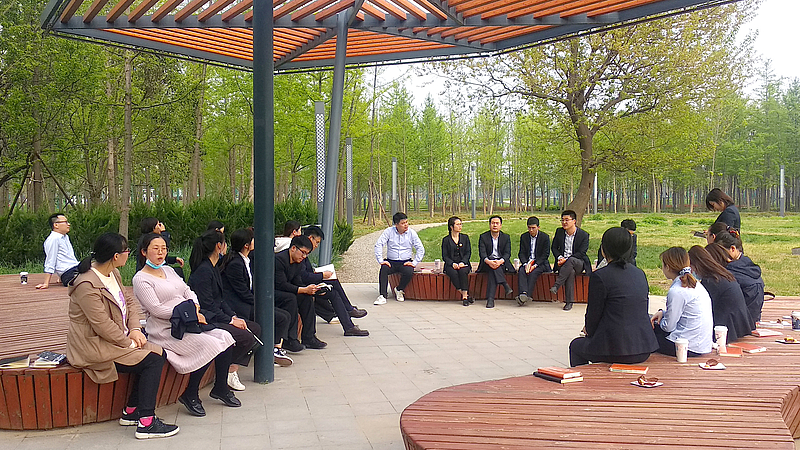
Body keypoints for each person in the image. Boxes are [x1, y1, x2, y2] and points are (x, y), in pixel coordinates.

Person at [67, 233, 178, 439]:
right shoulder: (86, 285)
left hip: (116, 340)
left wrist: (135, 329)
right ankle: (146, 422)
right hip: (93, 346)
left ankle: (132, 411)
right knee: (152, 360)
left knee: (160, 353)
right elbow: (101, 324)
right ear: (116, 256)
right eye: (126, 250)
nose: (129, 253)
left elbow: (130, 302)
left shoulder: (114, 273)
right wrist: (128, 342)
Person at [133, 233, 239, 418]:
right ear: (144, 252)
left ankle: (221, 387)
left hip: (189, 322)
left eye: (164, 249)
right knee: (210, 345)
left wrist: (195, 307)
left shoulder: (169, 270)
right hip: (165, 330)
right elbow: (156, 309)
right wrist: (189, 313)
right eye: (155, 249)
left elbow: (187, 291)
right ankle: (190, 394)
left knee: (226, 337)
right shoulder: (141, 279)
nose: (161, 253)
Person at [568, 228, 658, 367]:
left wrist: (589, 331)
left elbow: (593, 314)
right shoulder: (639, 273)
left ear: (603, 249)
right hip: (644, 347)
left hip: (615, 350)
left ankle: (584, 380)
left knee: (576, 346)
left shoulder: (600, 276)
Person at [187, 230, 262, 391]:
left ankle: (230, 369)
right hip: (206, 318)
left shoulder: (213, 267)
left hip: (216, 313)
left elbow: (220, 300)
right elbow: (207, 305)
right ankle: (227, 372)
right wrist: (230, 320)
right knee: (245, 336)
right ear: (218, 246)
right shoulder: (203, 271)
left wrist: (233, 316)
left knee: (254, 328)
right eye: (224, 243)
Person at [220, 228, 293, 367]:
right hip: (239, 306)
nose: (256, 242)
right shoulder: (235, 264)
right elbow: (242, 292)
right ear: (246, 245)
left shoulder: (246, 260)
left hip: (247, 301)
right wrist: (261, 303)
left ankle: (275, 349)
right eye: (253, 239)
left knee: (285, 315)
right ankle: (273, 350)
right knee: (280, 318)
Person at [299, 226, 369, 336]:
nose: (316, 246)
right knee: (333, 286)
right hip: (303, 287)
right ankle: (349, 316)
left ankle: (349, 323)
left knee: (333, 288)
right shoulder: (300, 251)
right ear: (310, 238)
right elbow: (303, 276)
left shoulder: (302, 251)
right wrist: (322, 275)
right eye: (317, 242)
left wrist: (318, 273)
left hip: (306, 284)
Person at [650, 247, 713, 357]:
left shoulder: (676, 291)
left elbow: (668, 327)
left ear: (667, 267)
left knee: (645, 333)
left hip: (685, 346)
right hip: (701, 344)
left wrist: (660, 321)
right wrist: (663, 313)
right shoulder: (696, 285)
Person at [688, 245, 754, 344]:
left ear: (696, 265)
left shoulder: (711, 281)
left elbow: (702, 309)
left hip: (725, 329)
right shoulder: (722, 274)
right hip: (738, 325)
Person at [275, 235, 327, 350]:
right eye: (303, 252)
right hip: (272, 292)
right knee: (291, 298)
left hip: (287, 291)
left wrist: (312, 290)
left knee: (306, 298)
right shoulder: (279, 260)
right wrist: (303, 289)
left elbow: (297, 282)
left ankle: (309, 337)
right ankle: (290, 339)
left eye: (307, 254)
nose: (304, 256)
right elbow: (281, 284)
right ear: (293, 248)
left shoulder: (298, 262)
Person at [374, 212, 425, 305]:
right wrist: (381, 260)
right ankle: (382, 295)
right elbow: (378, 244)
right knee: (384, 269)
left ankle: (399, 289)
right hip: (391, 262)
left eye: (406, 222)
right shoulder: (389, 232)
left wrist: (414, 262)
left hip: (405, 262)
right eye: (403, 223)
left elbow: (420, 249)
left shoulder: (411, 233)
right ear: (396, 225)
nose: (406, 225)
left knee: (409, 271)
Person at [714, 230, 765, 322]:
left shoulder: (730, 272)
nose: (717, 255)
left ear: (733, 249)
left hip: (735, 322)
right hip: (753, 318)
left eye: (720, 251)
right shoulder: (749, 266)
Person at [550, 210, 592, 311]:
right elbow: (554, 247)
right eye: (562, 220)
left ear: (574, 221)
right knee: (570, 272)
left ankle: (556, 285)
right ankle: (569, 302)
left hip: (578, 262)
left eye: (567, 220)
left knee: (572, 260)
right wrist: (560, 257)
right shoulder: (559, 232)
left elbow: (581, 253)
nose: (564, 222)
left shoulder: (583, 235)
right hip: (564, 264)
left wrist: (566, 260)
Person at [475, 215, 514, 308]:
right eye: (493, 223)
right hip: (487, 263)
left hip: (501, 263)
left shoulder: (506, 237)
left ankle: (490, 300)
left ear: (501, 225)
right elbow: (482, 254)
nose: (495, 225)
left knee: (494, 270)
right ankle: (504, 284)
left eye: (497, 223)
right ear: (489, 225)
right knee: (493, 268)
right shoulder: (483, 237)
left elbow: (507, 254)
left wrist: (500, 262)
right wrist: (489, 262)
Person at [36, 213, 80, 289]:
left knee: (95, 265)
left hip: (75, 268)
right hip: (69, 274)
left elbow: (66, 258)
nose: (68, 224)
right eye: (65, 222)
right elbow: (50, 260)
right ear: (56, 225)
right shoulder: (53, 239)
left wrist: (59, 277)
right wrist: (46, 283)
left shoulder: (65, 237)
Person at [516, 216, 551, 306]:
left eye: (533, 228)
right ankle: (523, 293)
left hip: (540, 263)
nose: (531, 230)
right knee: (521, 271)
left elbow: (545, 254)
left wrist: (535, 265)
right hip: (528, 262)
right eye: (529, 228)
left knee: (533, 273)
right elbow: (521, 253)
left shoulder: (545, 237)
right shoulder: (524, 237)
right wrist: (525, 264)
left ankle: (526, 295)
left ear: (538, 227)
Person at [441, 216, 473, 306]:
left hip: (463, 263)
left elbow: (468, 252)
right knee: (453, 273)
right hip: (451, 264)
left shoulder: (465, 238)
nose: (460, 226)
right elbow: (445, 256)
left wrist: (463, 262)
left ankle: (465, 297)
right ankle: (465, 296)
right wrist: (452, 263)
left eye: (460, 224)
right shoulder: (446, 240)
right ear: (451, 227)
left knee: (463, 272)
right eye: (457, 224)